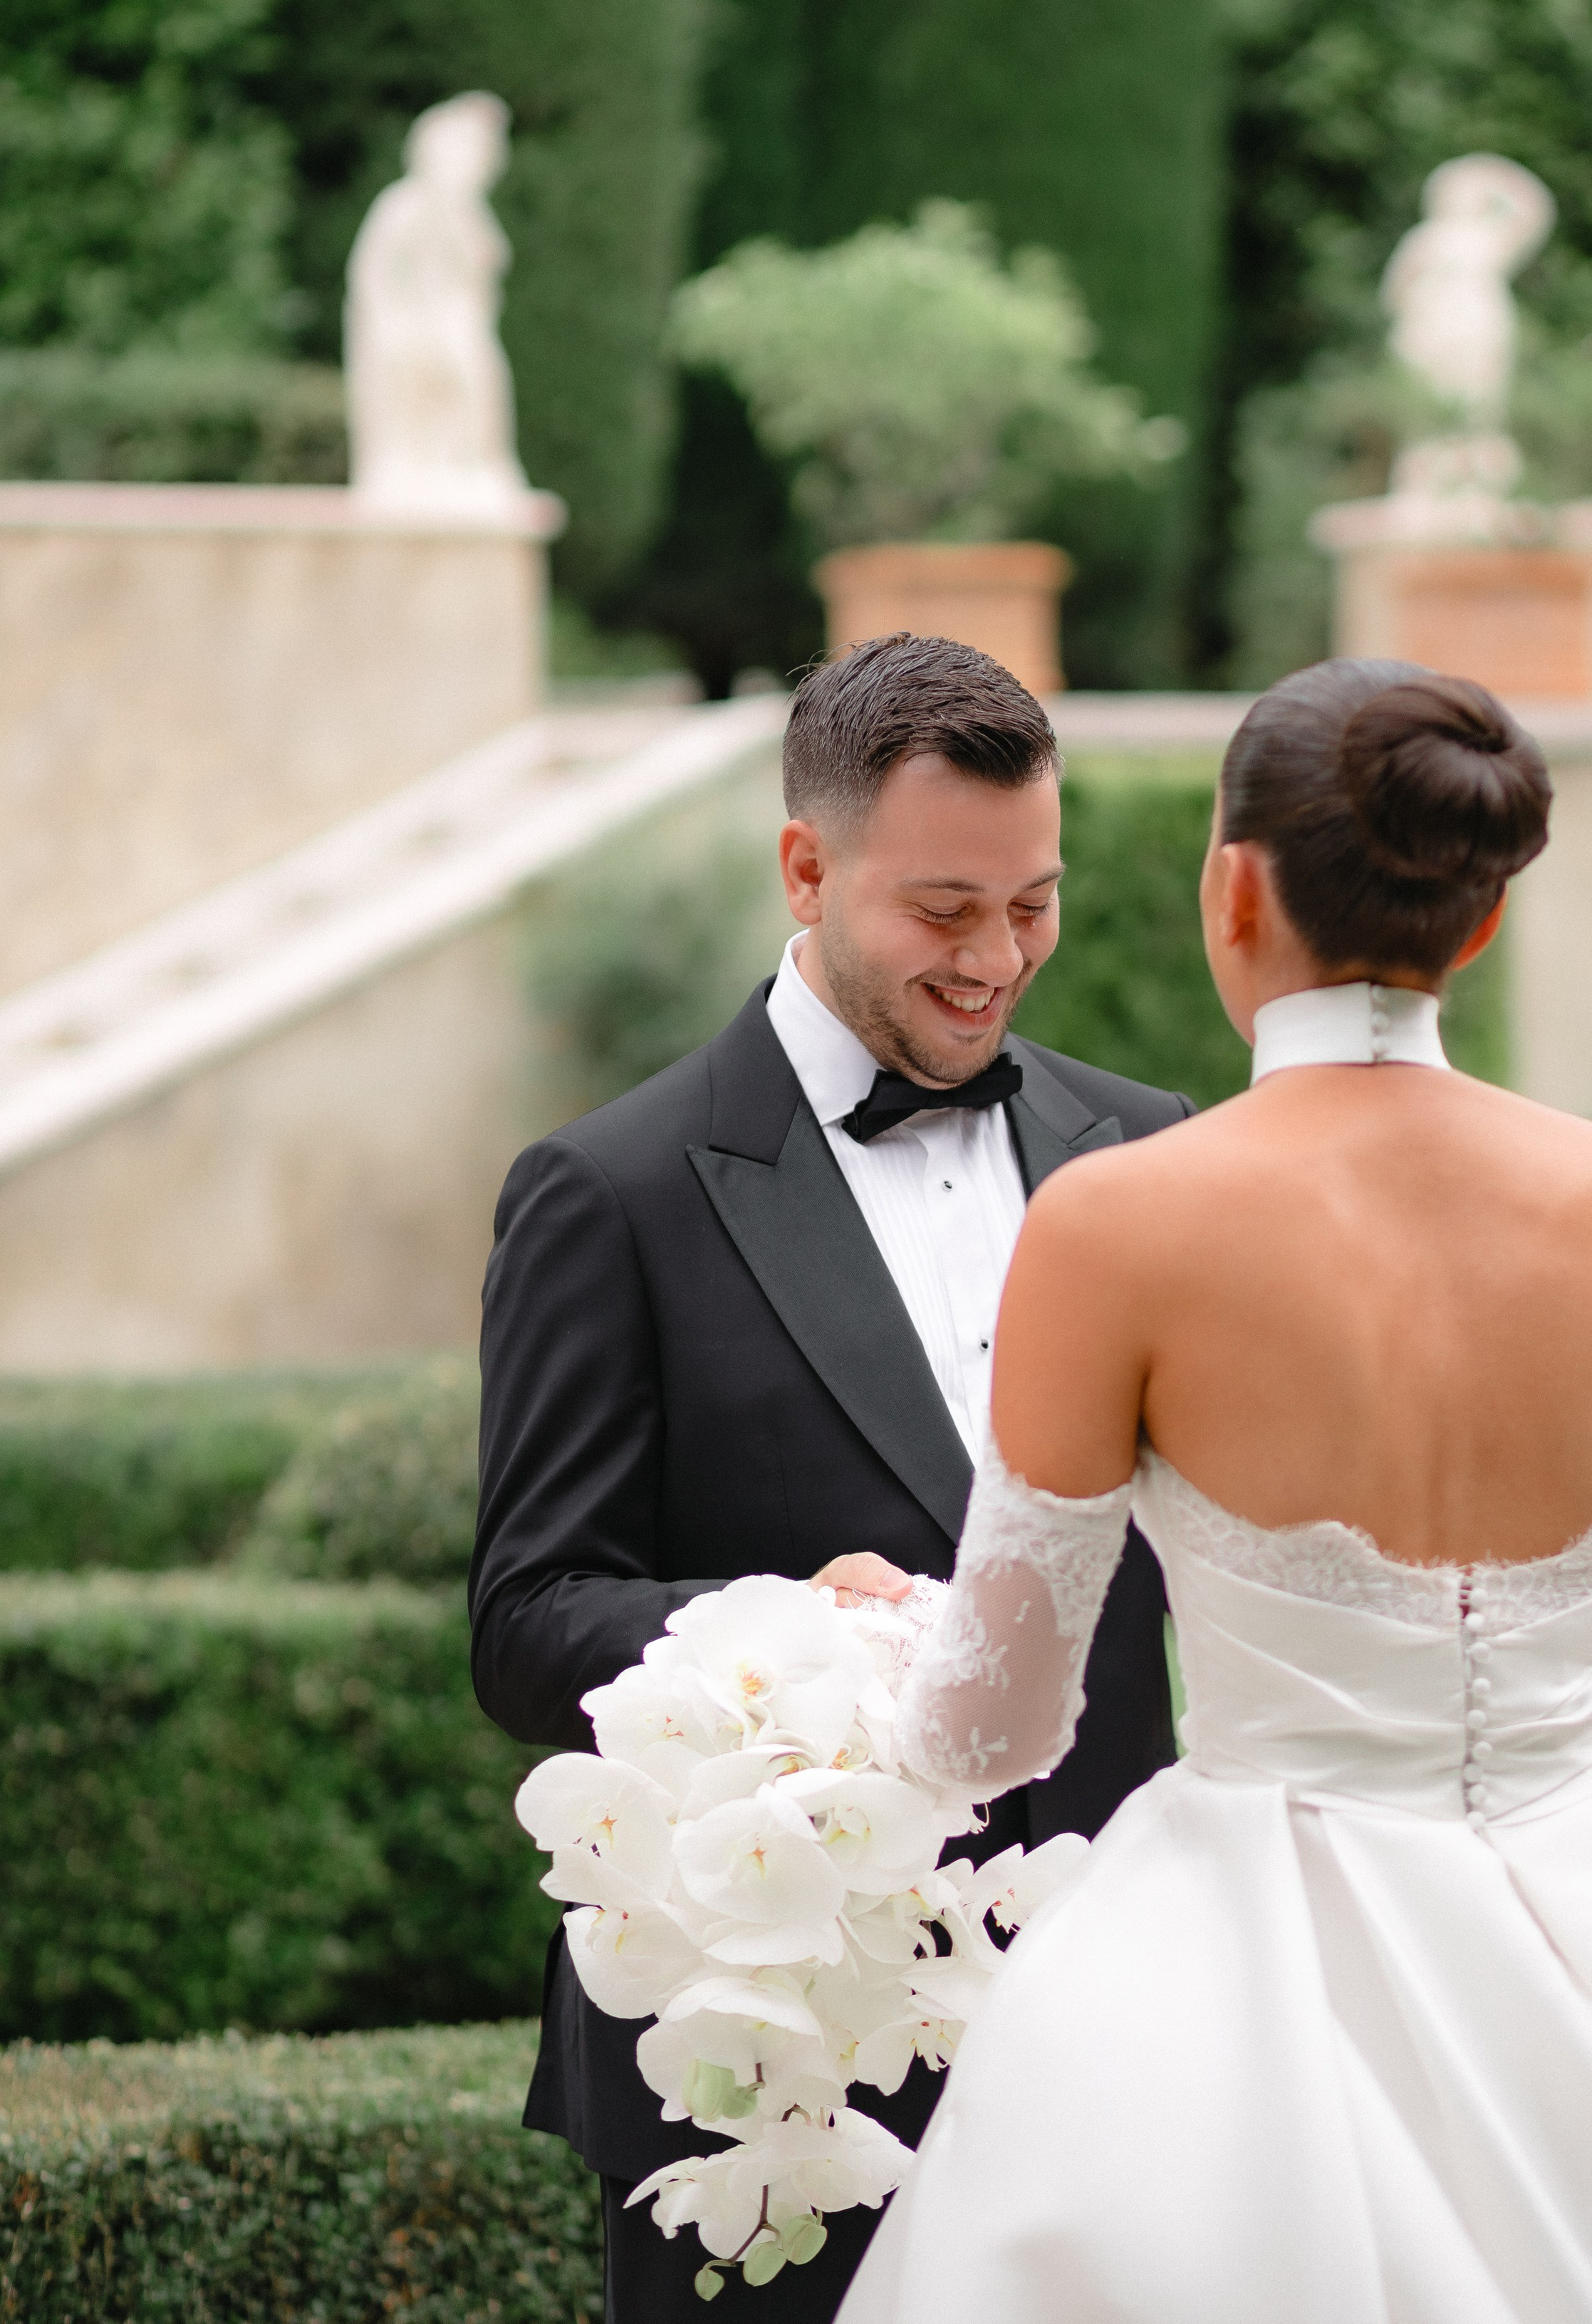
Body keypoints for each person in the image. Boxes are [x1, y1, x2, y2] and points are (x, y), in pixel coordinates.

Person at [843, 657, 1592, 2323]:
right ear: (1479, 917)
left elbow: (993, 1734)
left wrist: (872, 1639)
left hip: (1236, 1976)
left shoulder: (1113, 1223)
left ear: (1231, 890)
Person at [469, 633, 1187, 2323]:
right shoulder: (608, 1191)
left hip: (1109, 2017)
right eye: (944, 912)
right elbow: (524, 1622)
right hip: (773, 2043)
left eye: (1033, 903)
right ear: (805, 866)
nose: (998, 959)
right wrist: (790, 1626)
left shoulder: (1149, 1149)